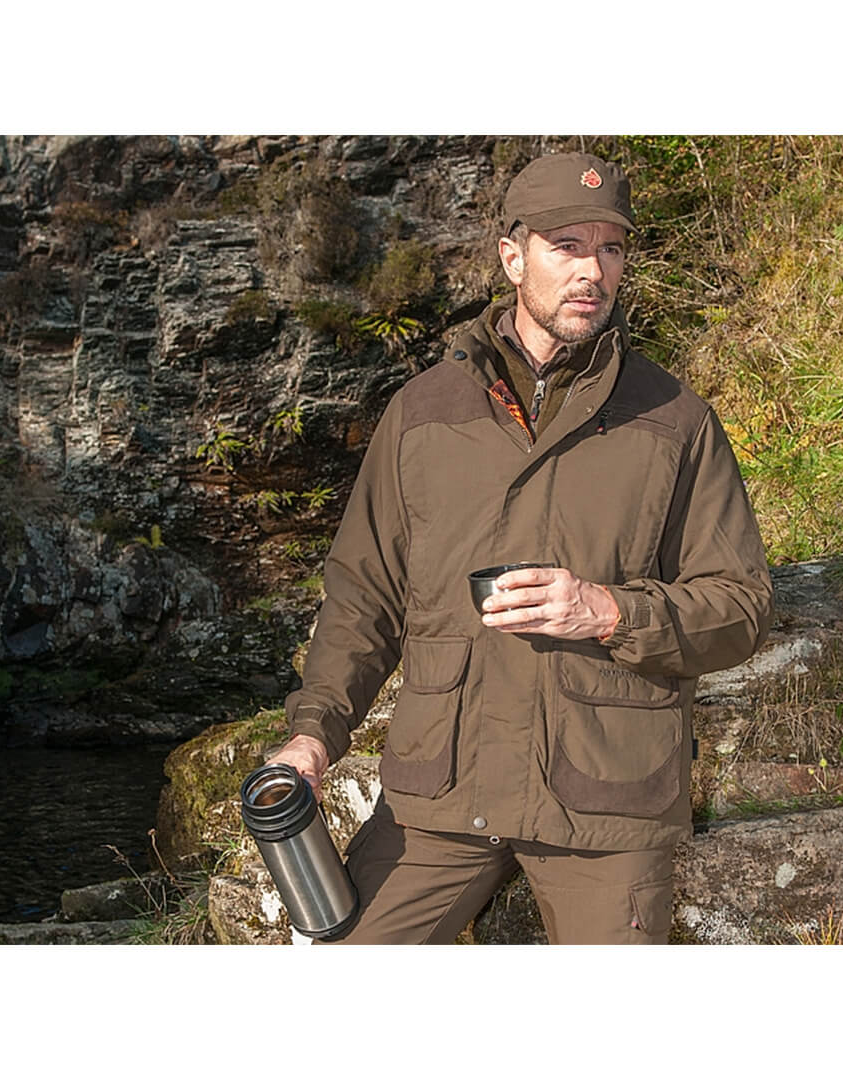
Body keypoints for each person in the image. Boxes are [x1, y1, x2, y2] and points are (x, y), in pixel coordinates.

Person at [268, 151, 773, 944]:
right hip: (442, 794)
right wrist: (314, 731)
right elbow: (364, 595)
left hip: (607, 801)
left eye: (610, 249)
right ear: (512, 257)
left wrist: (608, 612)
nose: (592, 271)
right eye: (567, 246)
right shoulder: (422, 413)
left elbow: (740, 608)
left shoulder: (676, 421)